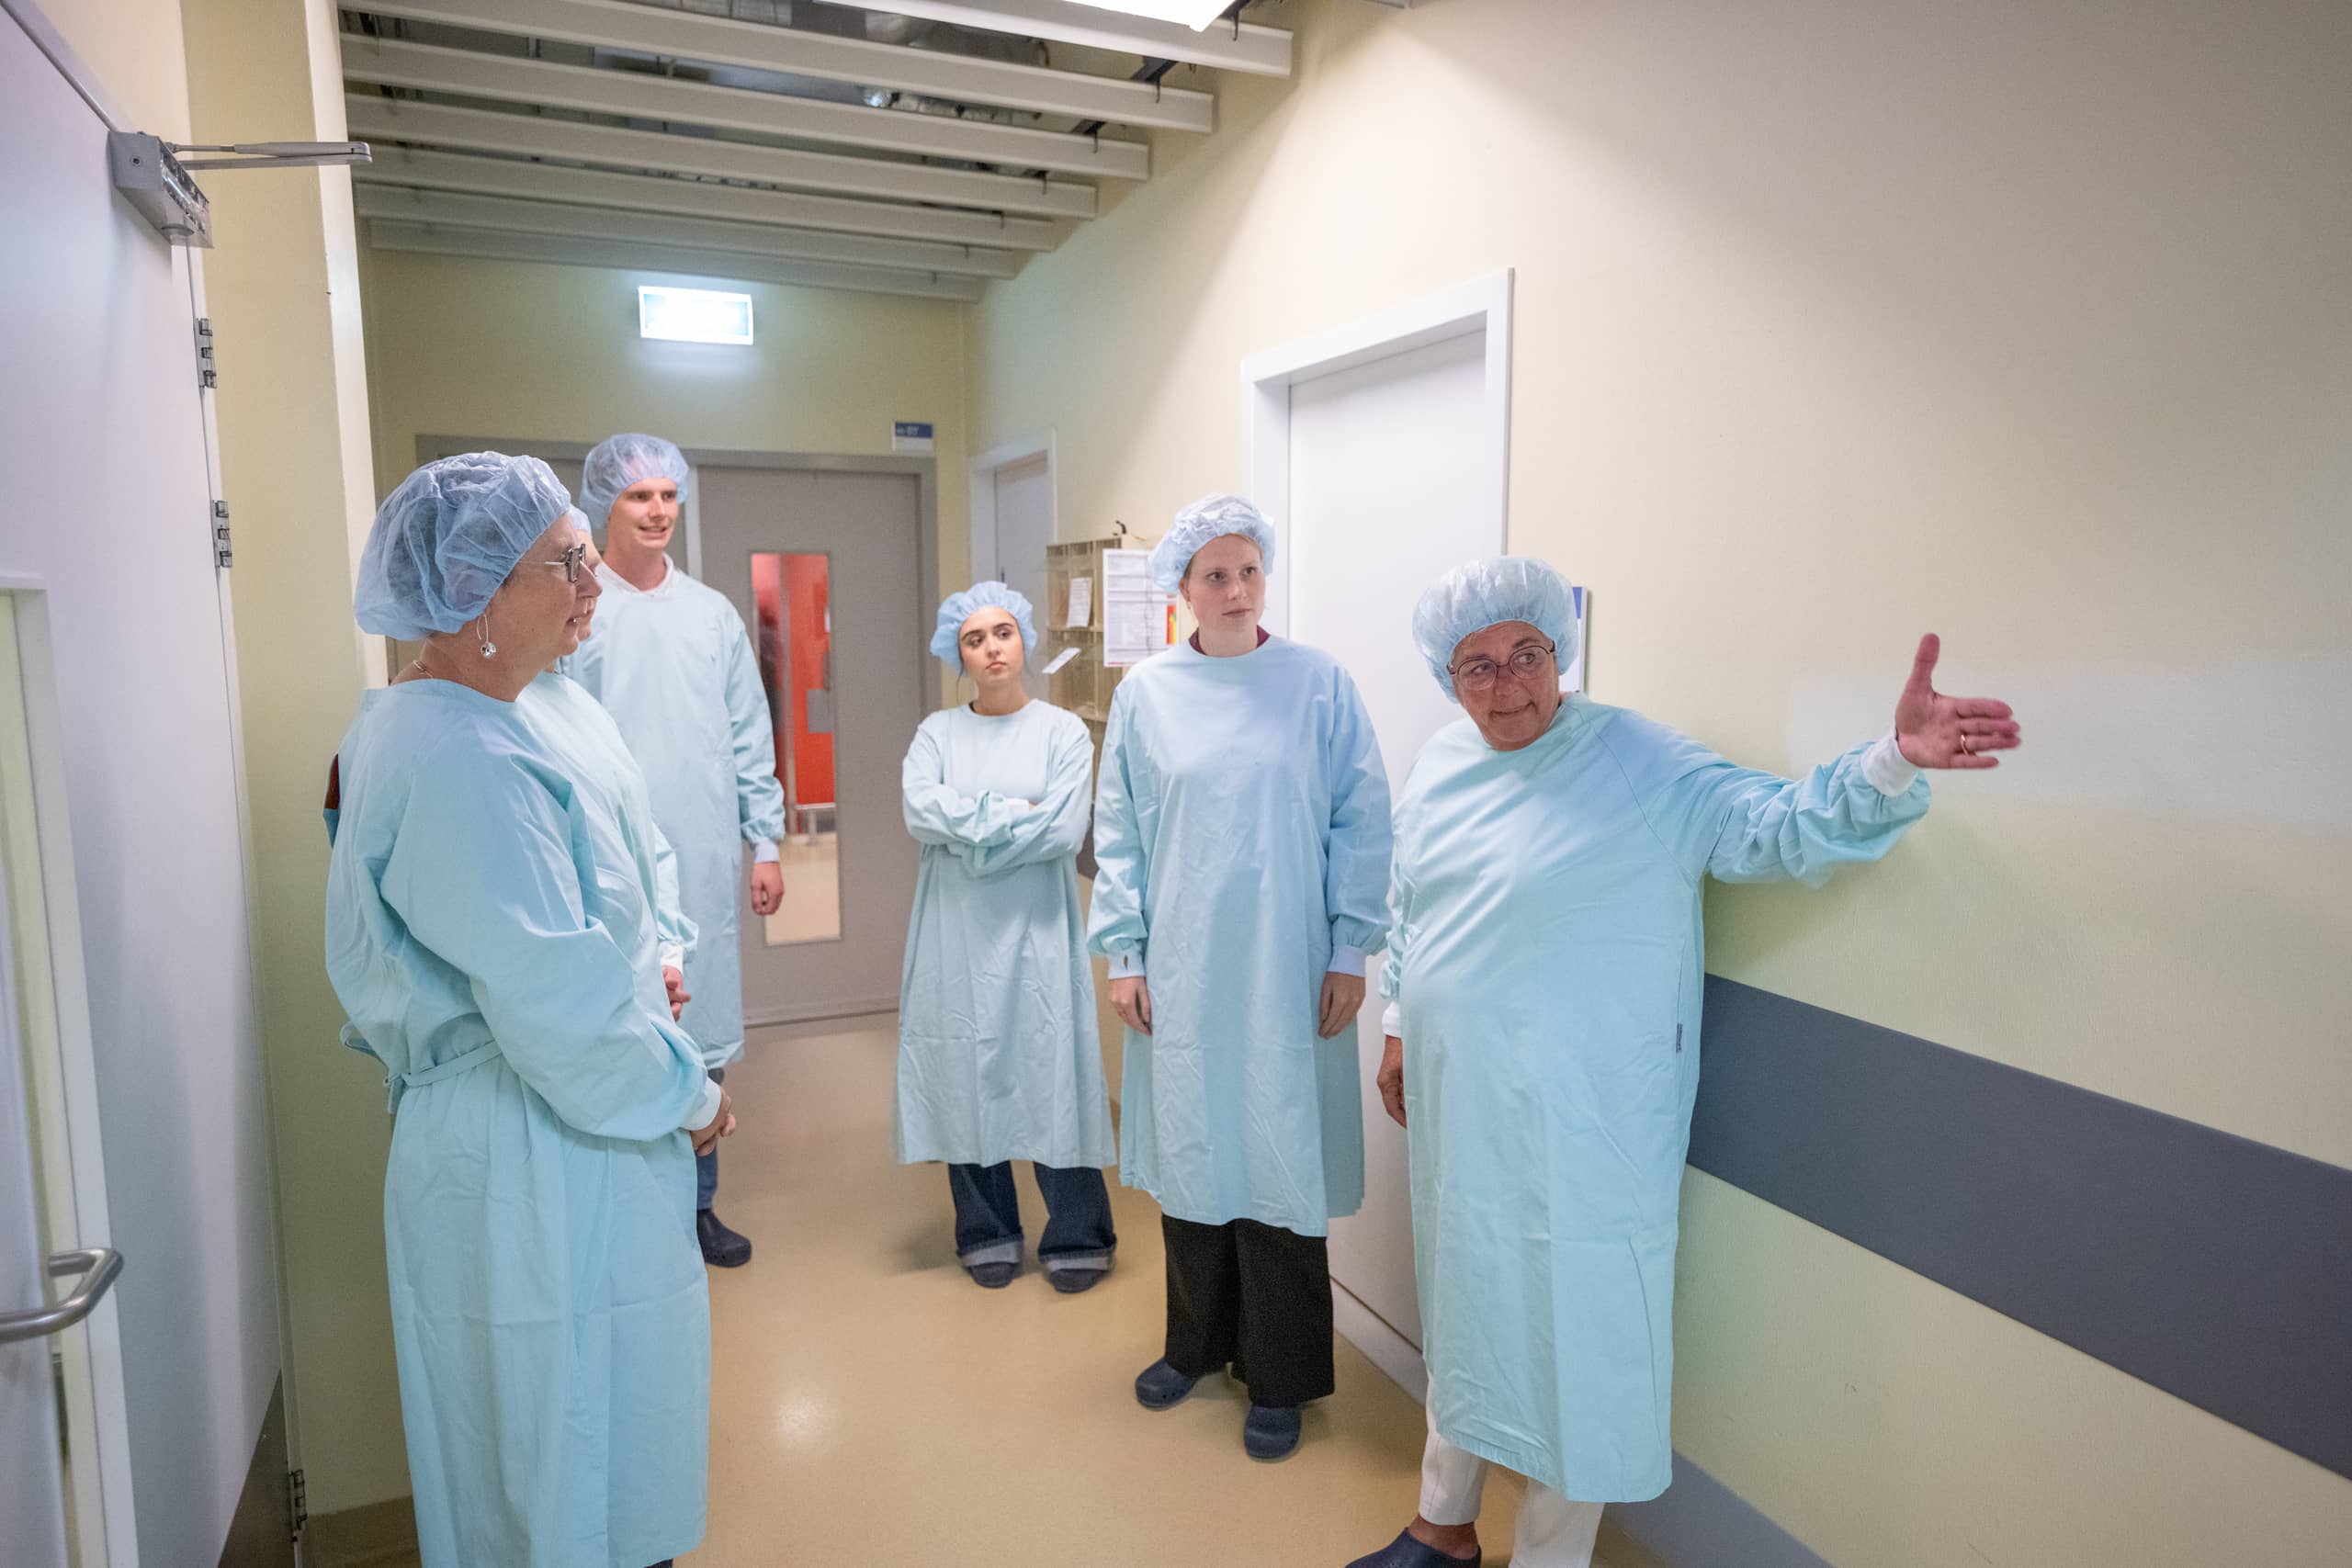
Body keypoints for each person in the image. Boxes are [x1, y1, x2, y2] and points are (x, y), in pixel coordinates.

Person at [1345, 558, 2021, 1568]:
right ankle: (1442, 1526)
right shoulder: (1444, 761)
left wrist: (1893, 758)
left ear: (1557, 653)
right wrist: (1399, 1023)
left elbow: (1772, 829)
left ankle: (1548, 1558)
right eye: (1474, 666)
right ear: (1448, 682)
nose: (1505, 683)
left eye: (1524, 654)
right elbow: (1412, 905)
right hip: (1461, 1104)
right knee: (1467, 1299)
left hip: (1587, 1120)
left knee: (1579, 1336)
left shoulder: (1629, 759)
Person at [324, 454, 736, 1568]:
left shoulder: (511, 716)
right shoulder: (462, 754)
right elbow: (556, 1010)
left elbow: (594, 894)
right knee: (556, 1462)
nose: (595, 579)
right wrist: (691, 1096)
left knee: (575, 1447)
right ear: (473, 594)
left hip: (555, 1122)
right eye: (566, 561)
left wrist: (651, 965)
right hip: (532, 1143)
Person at [1088, 493, 1393, 1462]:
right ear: (1179, 589)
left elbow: (1361, 822)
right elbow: (1122, 835)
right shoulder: (1148, 695)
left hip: (1289, 963)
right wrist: (1124, 955)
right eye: (1213, 574)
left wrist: (1350, 949)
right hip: (1181, 963)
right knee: (1192, 1152)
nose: (1234, 589)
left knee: (1274, 1156)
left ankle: (1283, 1374)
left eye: (1248, 570)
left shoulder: (1318, 685)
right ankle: (1195, 1345)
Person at [566, 434, 787, 1269]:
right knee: (621, 1020)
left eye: (667, 495)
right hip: (607, 852)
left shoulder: (711, 614)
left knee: (700, 1032)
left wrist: (764, 840)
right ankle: (634, 1213)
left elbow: (747, 733)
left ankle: (699, 1207)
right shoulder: (581, 608)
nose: (658, 511)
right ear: (605, 505)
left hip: (698, 854)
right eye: (638, 497)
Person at [897, 582, 1117, 1292]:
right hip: (955, 934)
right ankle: (987, 1229)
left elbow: (1061, 829)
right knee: (966, 1071)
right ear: (957, 654)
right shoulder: (938, 733)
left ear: (1024, 639)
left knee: (1051, 1067)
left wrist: (972, 827)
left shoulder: (1060, 732)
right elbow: (919, 811)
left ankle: (1078, 1233)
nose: (991, 647)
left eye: (1002, 633)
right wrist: (1010, 815)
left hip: (1039, 931)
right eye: (973, 639)